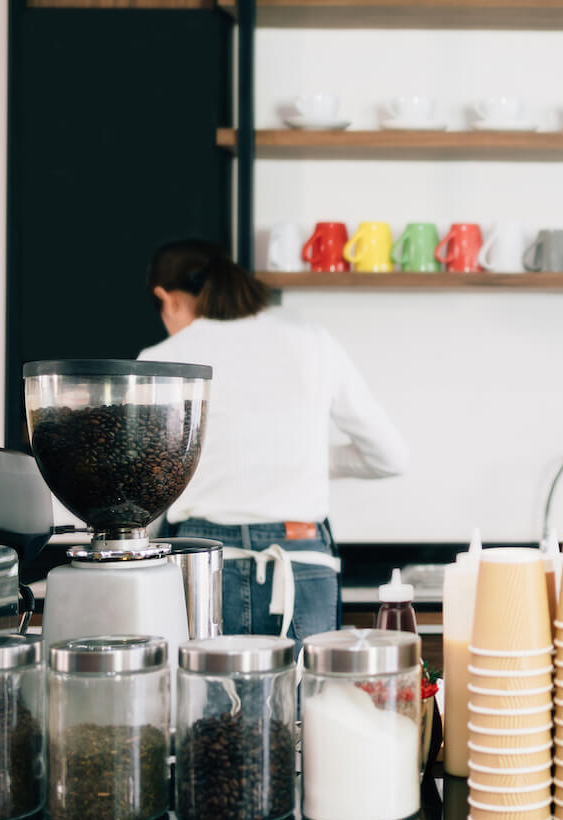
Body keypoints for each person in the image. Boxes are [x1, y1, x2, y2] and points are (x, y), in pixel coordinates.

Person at [139, 239, 409, 643]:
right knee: (308, 706)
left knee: (207, 706)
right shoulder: (313, 342)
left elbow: (148, 478)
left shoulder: (161, 359)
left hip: (203, 562)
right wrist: (300, 460)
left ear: (167, 297)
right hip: (301, 558)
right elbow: (390, 457)